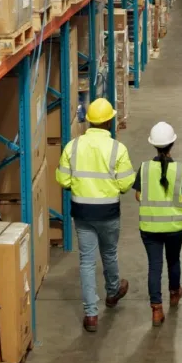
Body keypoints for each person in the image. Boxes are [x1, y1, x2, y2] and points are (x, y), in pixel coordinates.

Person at [56, 97, 136, 333]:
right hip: (109, 212)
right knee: (109, 252)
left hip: (82, 212)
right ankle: (112, 293)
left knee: (86, 261)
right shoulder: (117, 149)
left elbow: (62, 179)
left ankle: (91, 314)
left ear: (89, 122)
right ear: (110, 122)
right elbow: (125, 184)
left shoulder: (73, 146)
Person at [134, 122, 182, 326]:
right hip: (175, 227)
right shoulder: (180, 169)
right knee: (173, 260)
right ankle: (174, 293)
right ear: (172, 143)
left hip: (150, 227)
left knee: (154, 266)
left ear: (154, 145)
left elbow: (138, 195)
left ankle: (156, 309)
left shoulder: (145, 168)